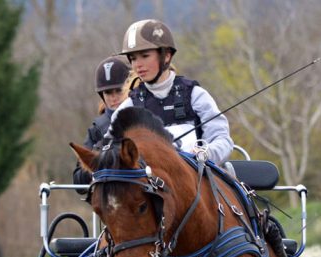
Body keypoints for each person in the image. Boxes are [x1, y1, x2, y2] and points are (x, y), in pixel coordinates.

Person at [111, 19, 233, 165]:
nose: (138, 65)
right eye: (133, 59)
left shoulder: (195, 95)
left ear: (166, 55)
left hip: (198, 180)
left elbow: (222, 139)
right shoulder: (128, 107)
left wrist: (206, 153)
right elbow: (111, 148)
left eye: (144, 56)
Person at [73, 55, 131, 188]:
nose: (114, 97)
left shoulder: (145, 120)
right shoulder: (97, 129)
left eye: (119, 90)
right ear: (102, 95)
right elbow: (78, 181)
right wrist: (98, 158)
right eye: (108, 92)